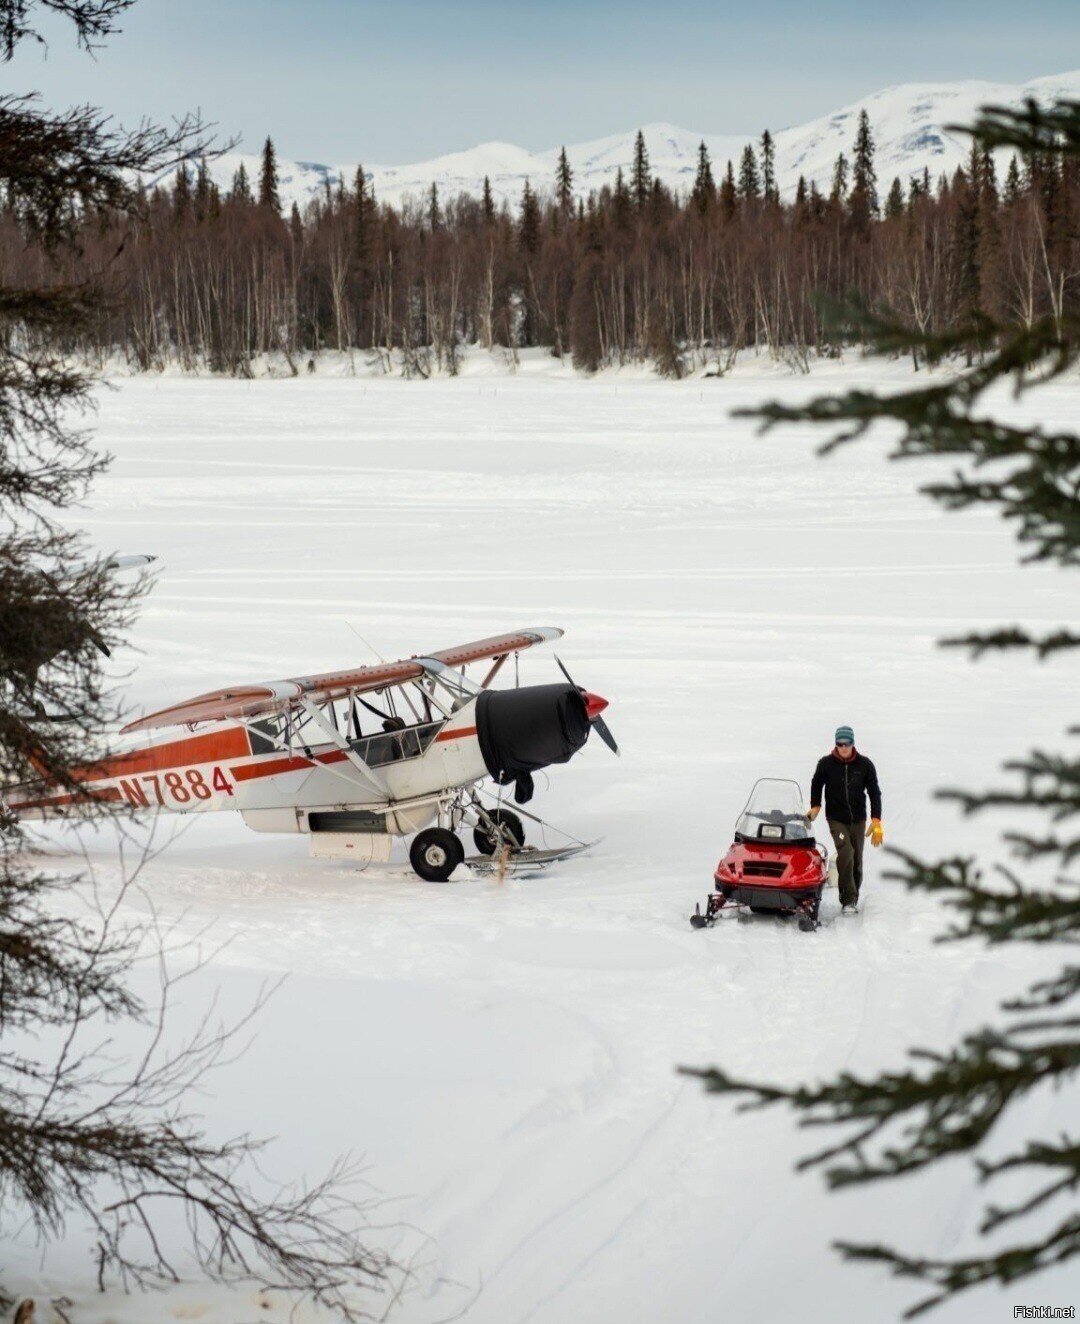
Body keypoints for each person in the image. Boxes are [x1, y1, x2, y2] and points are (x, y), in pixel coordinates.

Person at [808, 725, 883, 910]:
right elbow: (816, 783)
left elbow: (874, 792)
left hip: (858, 819)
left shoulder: (865, 765)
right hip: (836, 819)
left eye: (846, 743)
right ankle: (848, 900)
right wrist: (816, 805)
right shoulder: (826, 764)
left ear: (852, 743)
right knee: (846, 852)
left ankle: (853, 897)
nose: (843, 747)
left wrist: (876, 820)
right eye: (839, 744)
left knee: (857, 860)